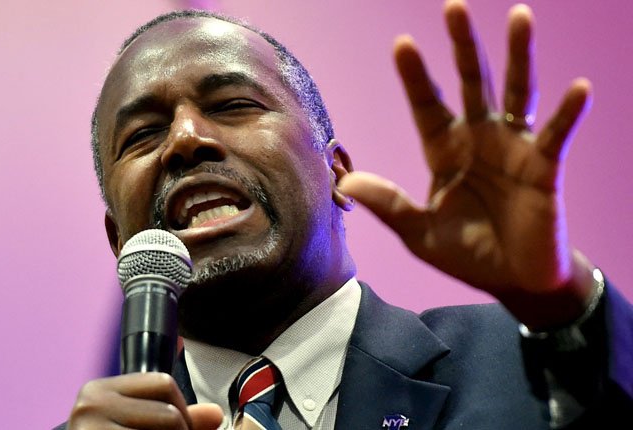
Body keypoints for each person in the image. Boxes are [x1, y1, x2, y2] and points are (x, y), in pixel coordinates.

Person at [62, 0, 632, 428]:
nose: (185, 139)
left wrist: (561, 302)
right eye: (143, 134)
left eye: (233, 105)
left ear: (337, 174)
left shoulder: (521, 362)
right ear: (119, 239)